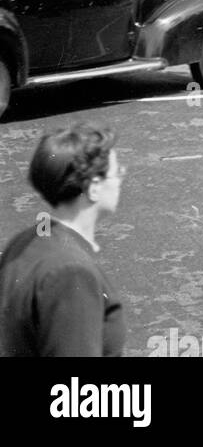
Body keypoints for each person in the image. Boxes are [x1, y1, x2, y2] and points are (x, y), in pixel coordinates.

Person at [0, 127, 126, 357]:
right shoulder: (71, 273)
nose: (119, 179)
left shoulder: (24, 241)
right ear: (94, 188)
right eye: (116, 172)